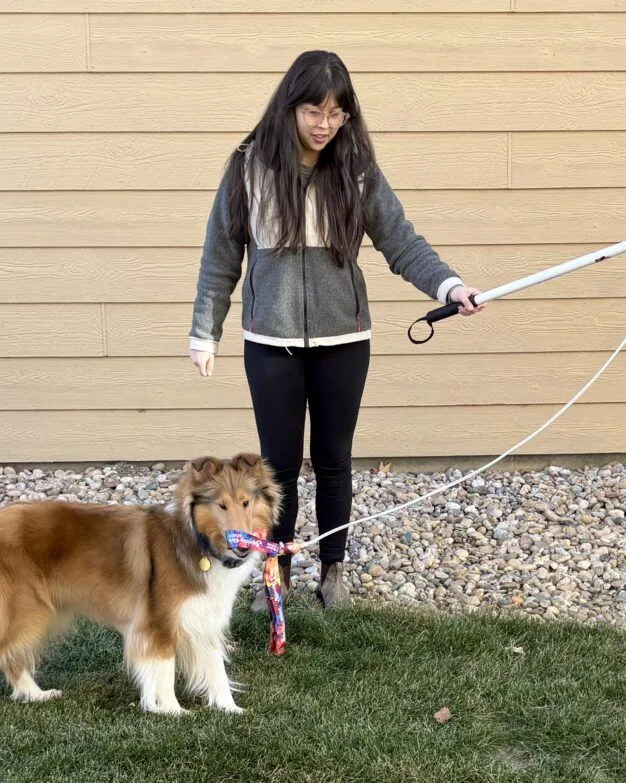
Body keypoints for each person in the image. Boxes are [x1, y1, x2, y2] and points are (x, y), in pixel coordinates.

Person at [186, 50, 484, 609]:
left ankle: (332, 570)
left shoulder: (357, 170)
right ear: (289, 107)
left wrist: (449, 287)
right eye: (313, 111)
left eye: (336, 113)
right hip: (269, 343)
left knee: (333, 460)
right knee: (276, 468)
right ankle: (276, 571)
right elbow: (220, 256)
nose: (325, 125)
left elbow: (401, 241)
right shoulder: (248, 168)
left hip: (343, 343)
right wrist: (206, 332)